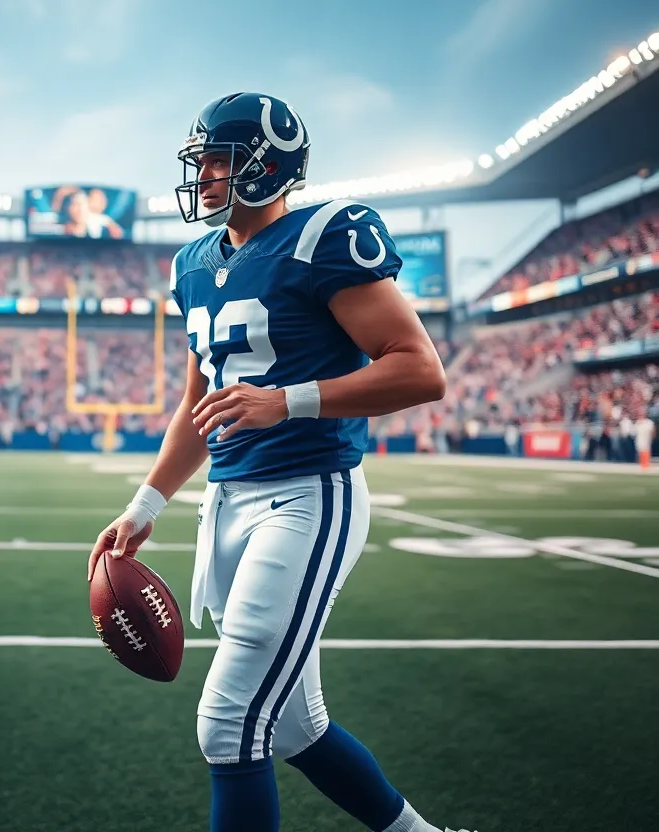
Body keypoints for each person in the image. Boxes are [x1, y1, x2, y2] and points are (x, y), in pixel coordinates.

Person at [86, 93, 467, 832]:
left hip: (307, 495)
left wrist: (286, 400)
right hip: (226, 504)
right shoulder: (194, 262)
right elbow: (200, 406)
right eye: (202, 163)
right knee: (295, 727)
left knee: (227, 725)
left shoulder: (325, 236)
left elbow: (422, 370)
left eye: (220, 162)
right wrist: (145, 505)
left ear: (268, 166)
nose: (204, 178)